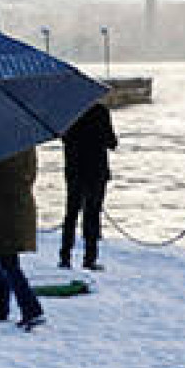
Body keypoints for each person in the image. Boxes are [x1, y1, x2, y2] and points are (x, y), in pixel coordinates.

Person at [0, 147, 46, 330]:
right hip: (22, 204)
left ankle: (32, 310)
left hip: (0, 208)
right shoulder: (26, 142)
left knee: (7, 261)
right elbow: (31, 173)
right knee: (3, 255)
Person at [59, 101, 119, 271]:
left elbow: (63, 138)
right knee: (92, 214)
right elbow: (111, 142)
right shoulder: (100, 111)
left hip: (74, 170)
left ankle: (65, 257)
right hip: (96, 171)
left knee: (71, 214)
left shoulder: (69, 111)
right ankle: (89, 258)